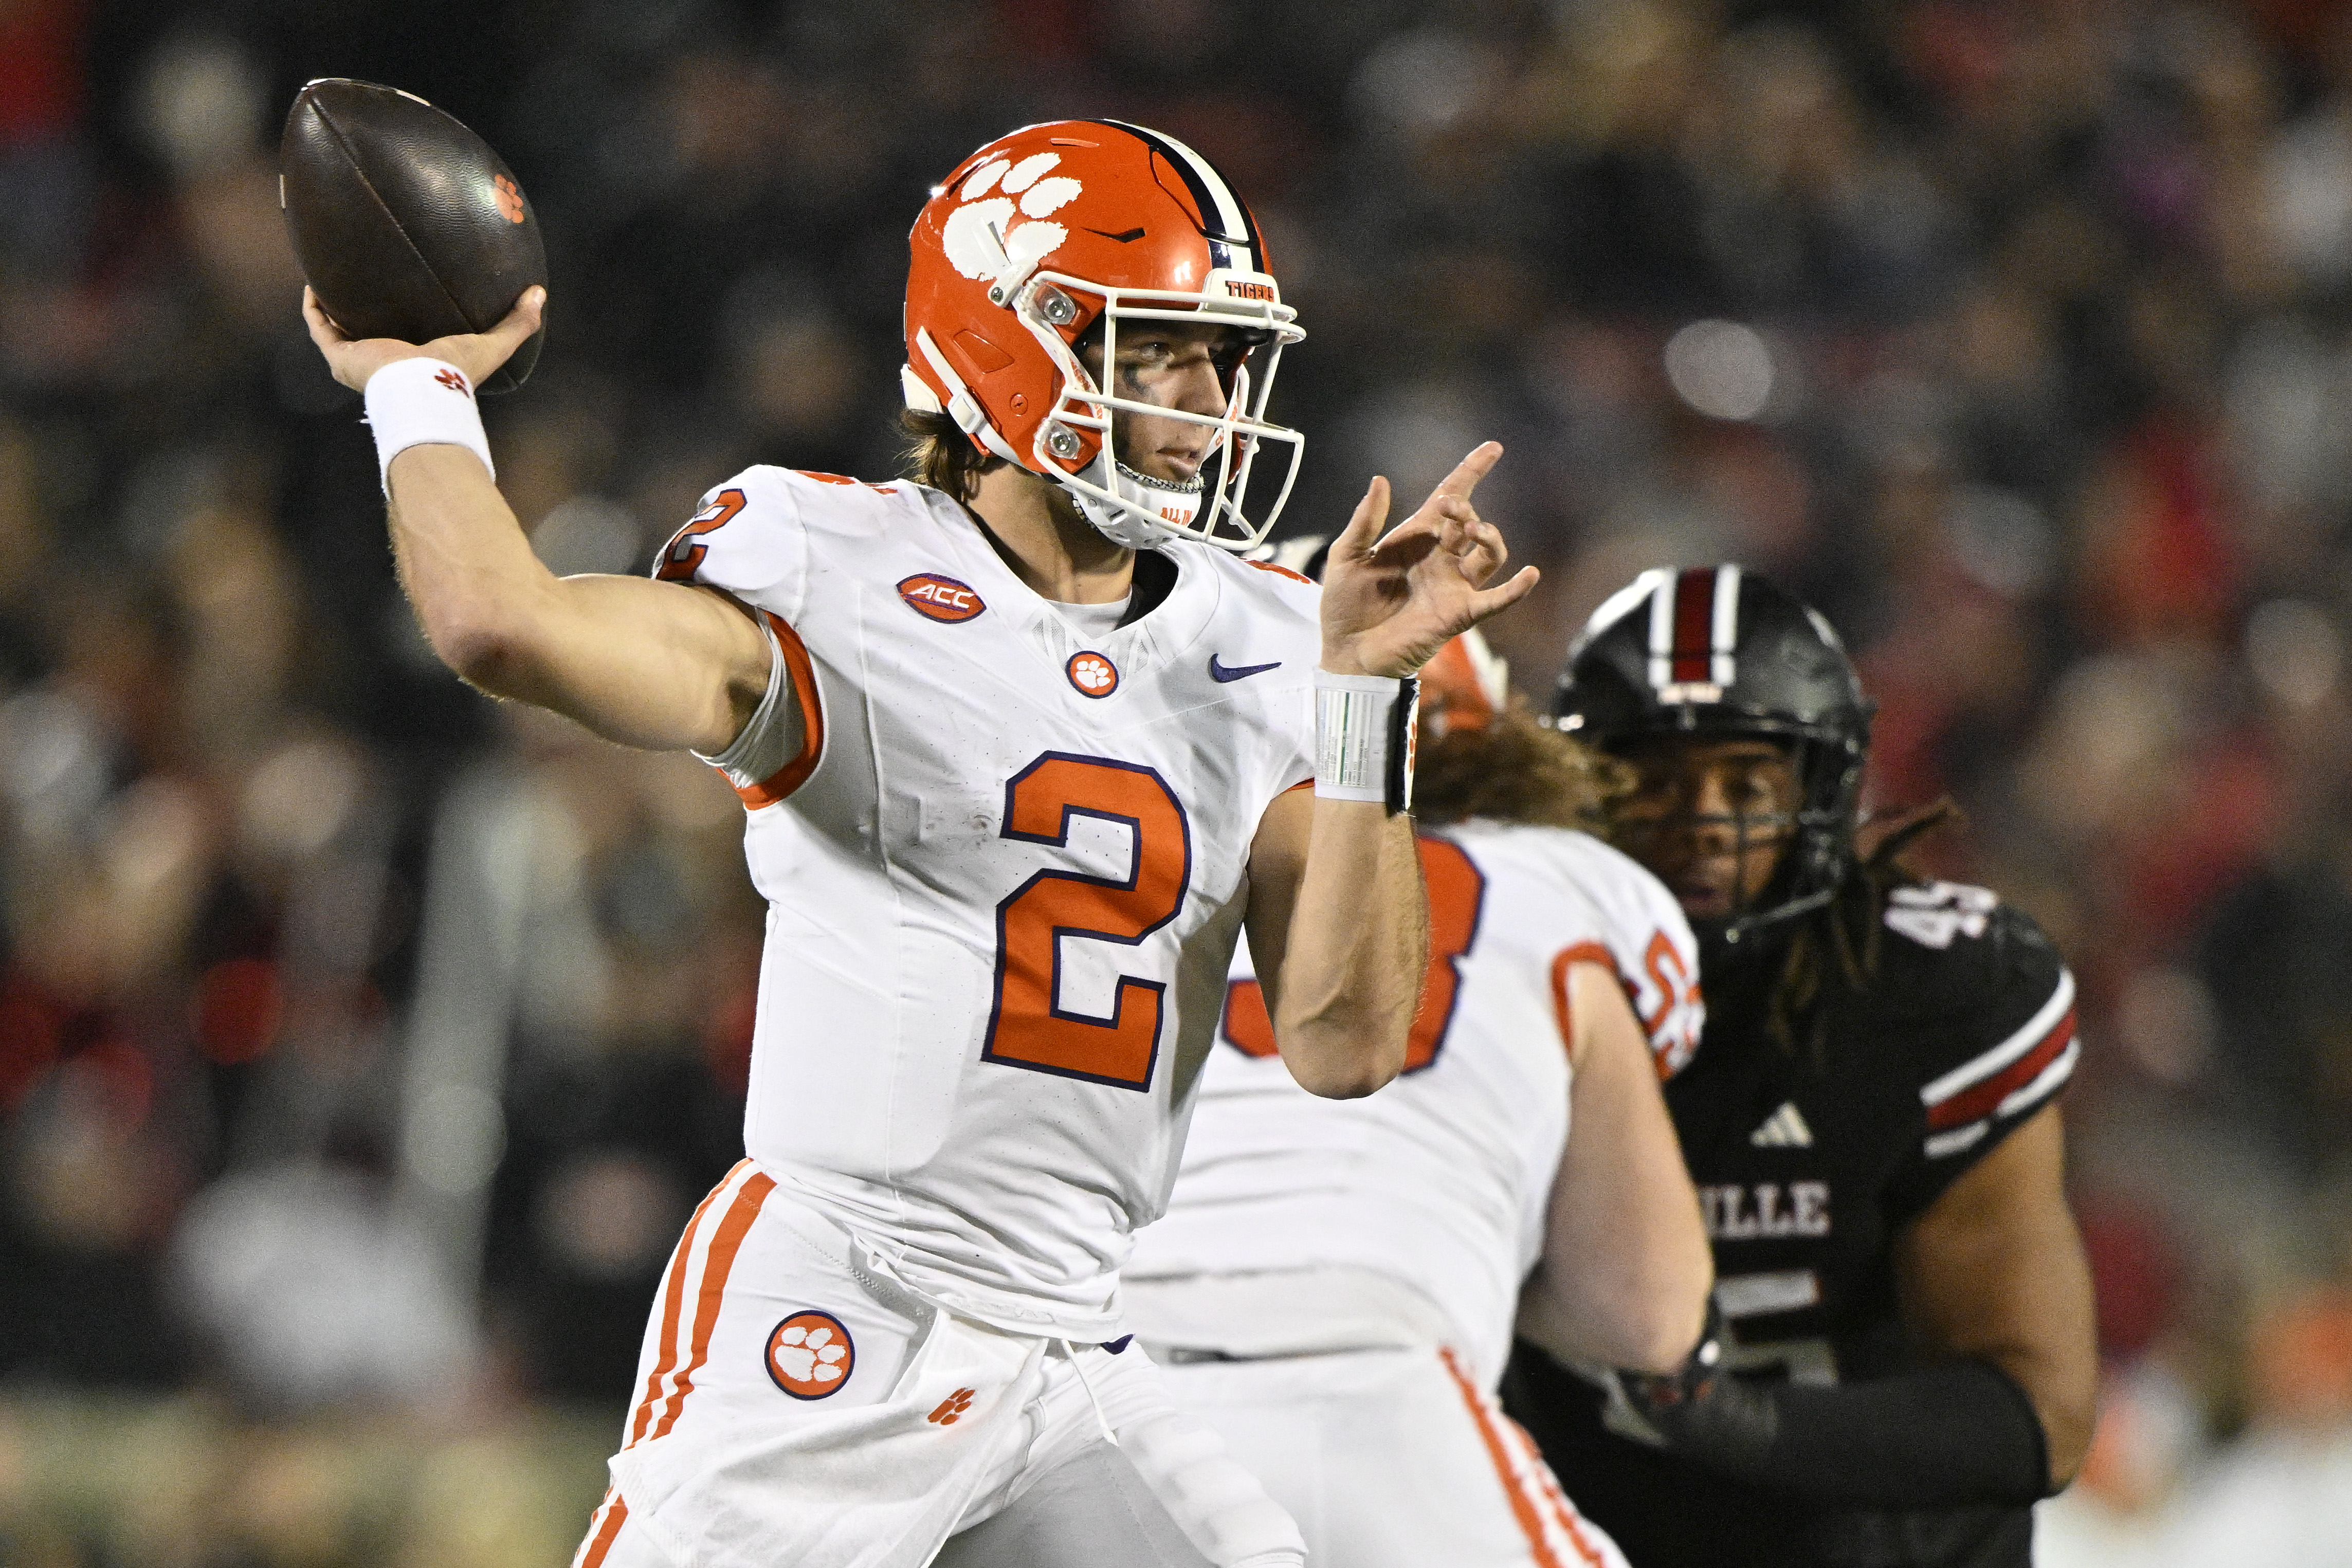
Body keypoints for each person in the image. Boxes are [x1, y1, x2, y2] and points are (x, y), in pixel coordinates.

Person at [302, 119, 1537, 1568]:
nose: (1209, 400)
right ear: (1016, 342)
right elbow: (501, 623)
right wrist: (415, 389)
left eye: (1219, 354)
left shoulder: (1266, 635)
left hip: (1078, 1345)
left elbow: (1346, 1041)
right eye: (1159, 352)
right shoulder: (842, 571)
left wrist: (1366, 706)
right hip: (848, 1301)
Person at [1503, 566, 2098, 1568]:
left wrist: (1725, 1420)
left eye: (1744, 783)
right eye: (1655, 778)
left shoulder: (1928, 999)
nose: (1700, 821)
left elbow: (2034, 1413)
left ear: (1817, 794)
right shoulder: (1499, 975)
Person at [1122, 588, 1714, 1568]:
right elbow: (1646, 1311)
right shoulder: (1563, 885)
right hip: (1374, 1379)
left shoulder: (1153, 866)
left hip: (1114, 1396)